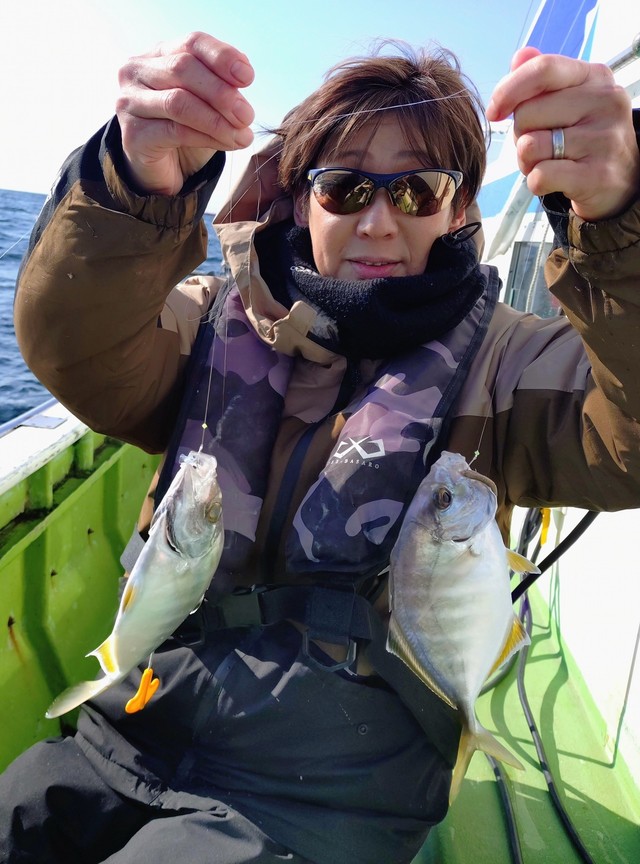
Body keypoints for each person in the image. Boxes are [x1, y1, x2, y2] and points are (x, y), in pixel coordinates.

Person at [2, 31, 640, 864]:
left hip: (337, 785)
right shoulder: (212, 317)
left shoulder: (509, 361)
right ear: (303, 200)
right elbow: (75, 347)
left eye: (416, 191)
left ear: (457, 211)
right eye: (344, 187)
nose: (377, 221)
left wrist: (622, 222)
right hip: (136, 718)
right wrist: (131, 182)